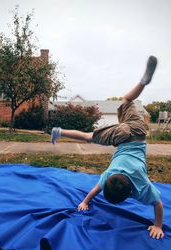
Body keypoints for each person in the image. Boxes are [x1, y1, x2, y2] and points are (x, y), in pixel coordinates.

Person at [51, 56, 164, 240]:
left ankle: (143, 82)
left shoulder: (142, 184)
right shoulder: (111, 175)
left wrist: (158, 224)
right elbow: (97, 189)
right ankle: (59, 132)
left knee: (127, 99)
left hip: (139, 132)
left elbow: (157, 204)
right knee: (90, 136)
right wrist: (84, 202)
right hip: (123, 134)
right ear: (129, 193)